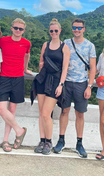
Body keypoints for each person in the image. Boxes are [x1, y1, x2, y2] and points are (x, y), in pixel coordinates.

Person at [53, 18, 96, 158]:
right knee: (64, 111)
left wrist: (89, 86)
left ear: (84, 29)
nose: (76, 30)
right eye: (74, 27)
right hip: (66, 82)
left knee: (80, 114)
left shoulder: (90, 46)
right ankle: (61, 140)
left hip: (81, 83)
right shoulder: (66, 43)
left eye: (79, 28)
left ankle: (79, 143)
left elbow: (93, 68)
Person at [32, 19, 70, 155]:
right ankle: (42, 140)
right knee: (41, 113)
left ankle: (48, 141)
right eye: (51, 31)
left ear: (60, 31)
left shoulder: (64, 47)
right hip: (43, 80)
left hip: (55, 81)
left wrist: (61, 84)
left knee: (46, 113)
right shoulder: (45, 45)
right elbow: (41, 61)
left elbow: (65, 68)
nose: (53, 33)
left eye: (56, 31)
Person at [0, 18, 32, 152]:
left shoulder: (26, 43)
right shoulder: (3, 41)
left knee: (11, 111)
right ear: (12, 28)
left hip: (18, 78)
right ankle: (20, 130)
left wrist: (25, 68)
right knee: (1, 109)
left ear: (24, 30)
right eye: (16, 28)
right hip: (4, 77)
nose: (18, 31)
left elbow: (26, 56)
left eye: (21, 29)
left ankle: (6, 140)